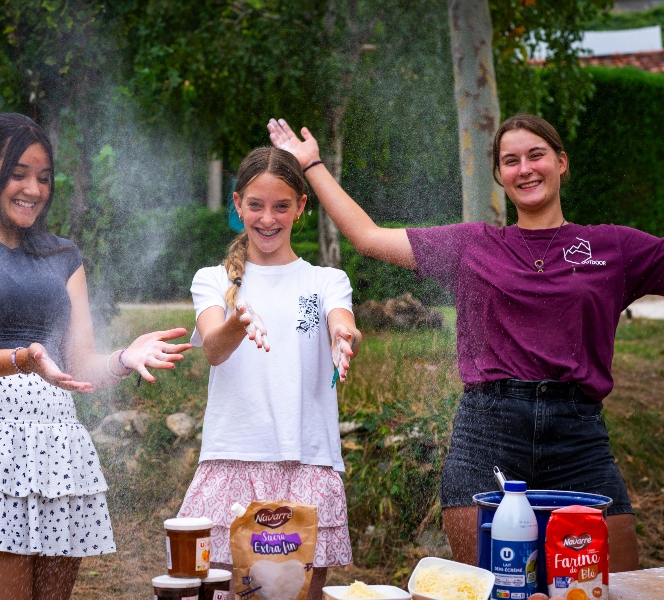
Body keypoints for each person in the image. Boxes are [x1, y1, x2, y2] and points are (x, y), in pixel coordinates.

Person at [267, 113, 664, 572]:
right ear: (499, 175)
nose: (525, 168)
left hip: (579, 438)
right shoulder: (473, 245)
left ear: (561, 162)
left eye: (536, 155)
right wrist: (312, 164)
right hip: (487, 436)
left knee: (617, 586)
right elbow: (369, 238)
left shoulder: (613, 247)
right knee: (487, 588)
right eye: (510, 161)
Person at [0, 112, 191, 600]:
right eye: (17, 173)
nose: (33, 189)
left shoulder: (62, 254)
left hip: (59, 454)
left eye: (43, 177)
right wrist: (22, 358)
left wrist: (126, 357)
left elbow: (79, 367)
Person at [177, 147, 362, 598]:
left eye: (281, 206)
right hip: (231, 460)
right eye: (255, 205)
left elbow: (343, 321)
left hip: (308, 461)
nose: (267, 218)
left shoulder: (325, 280)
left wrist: (344, 337)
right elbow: (215, 349)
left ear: (301, 206)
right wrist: (239, 322)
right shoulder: (213, 280)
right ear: (237, 204)